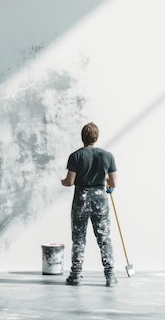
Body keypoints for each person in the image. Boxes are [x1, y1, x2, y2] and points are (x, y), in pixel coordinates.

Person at [60, 122, 118, 287]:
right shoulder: (108, 156)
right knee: (104, 237)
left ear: (82, 137)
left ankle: (75, 275)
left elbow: (69, 182)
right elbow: (113, 182)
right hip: (100, 199)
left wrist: (62, 181)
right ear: (97, 137)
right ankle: (110, 275)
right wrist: (108, 184)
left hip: (82, 199)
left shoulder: (75, 156)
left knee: (79, 238)